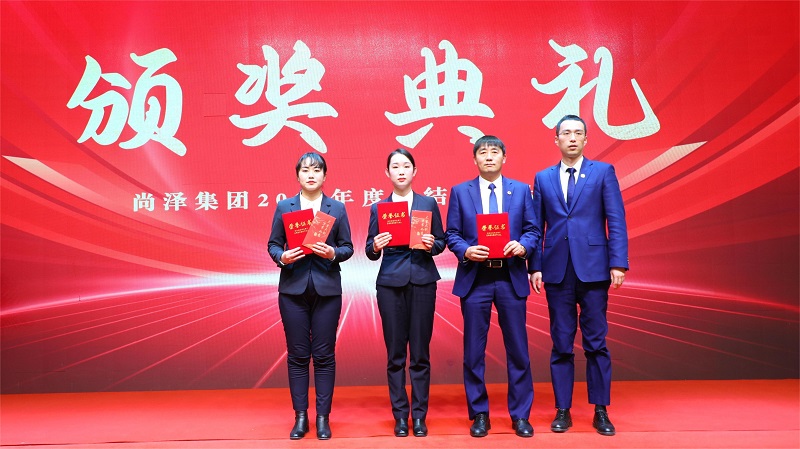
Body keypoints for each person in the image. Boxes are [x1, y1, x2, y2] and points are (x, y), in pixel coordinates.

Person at [529, 114, 629, 436]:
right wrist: (535, 266)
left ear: (586, 139)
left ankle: (600, 410)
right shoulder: (543, 178)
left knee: (596, 342)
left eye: (578, 133)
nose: (572, 138)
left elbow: (616, 219)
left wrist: (618, 263)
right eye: (566, 133)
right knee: (561, 343)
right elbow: (536, 227)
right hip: (557, 271)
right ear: (556, 139)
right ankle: (563, 409)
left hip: (595, 269)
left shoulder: (603, 172)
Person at [445, 135, 540, 438]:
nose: (489, 157)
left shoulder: (521, 190)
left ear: (504, 158)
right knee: (474, 351)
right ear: (474, 159)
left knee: (518, 350)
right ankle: (480, 414)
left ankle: (520, 415)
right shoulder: (461, 192)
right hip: (476, 279)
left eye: (494, 152)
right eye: (483, 152)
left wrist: (523, 246)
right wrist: (466, 250)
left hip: (510, 277)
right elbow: (452, 233)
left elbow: (532, 230)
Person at [267, 152, 354, 440]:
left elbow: (347, 247)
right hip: (293, 290)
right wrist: (282, 257)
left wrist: (332, 253)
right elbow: (273, 245)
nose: (311, 175)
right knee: (298, 355)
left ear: (325, 176)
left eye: (317, 170)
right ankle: (301, 417)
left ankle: (323, 418)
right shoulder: (285, 207)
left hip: (327, 290)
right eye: (305, 170)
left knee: (325, 356)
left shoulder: (336, 208)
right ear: (298, 176)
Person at [365, 149, 446, 438]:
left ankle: (419, 415)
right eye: (395, 167)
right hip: (390, 284)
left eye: (406, 166)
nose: (401, 171)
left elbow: (441, 243)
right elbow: (369, 250)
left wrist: (431, 243)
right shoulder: (379, 208)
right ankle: (400, 416)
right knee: (396, 354)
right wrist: (376, 244)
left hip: (423, 281)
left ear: (414, 171)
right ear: (387, 173)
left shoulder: (428, 203)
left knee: (420, 353)